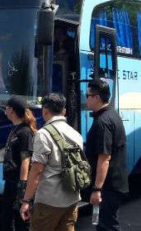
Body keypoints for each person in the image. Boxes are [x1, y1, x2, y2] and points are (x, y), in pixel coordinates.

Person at [20, 93, 83, 231]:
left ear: (45, 111)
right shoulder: (76, 134)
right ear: (64, 111)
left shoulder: (43, 134)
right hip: (72, 198)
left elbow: (36, 172)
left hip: (49, 200)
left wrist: (26, 201)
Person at [85, 79, 129, 231]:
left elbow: (104, 158)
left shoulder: (103, 122)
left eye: (87, 95)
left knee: (107, 226)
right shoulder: (112, 115)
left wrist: (97, 189)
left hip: (107, 186)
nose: (86, 99)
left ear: (96, 97)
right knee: (106, 224)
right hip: (112, 183)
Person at [2, 96, 36, 231]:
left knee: (21, 220)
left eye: (7, 107)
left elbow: (25, 160)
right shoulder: (15, 129)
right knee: (6, 217)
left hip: (18, 183)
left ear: (11, 110)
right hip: (10, 181)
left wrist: (22, 187)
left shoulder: (25, 132)